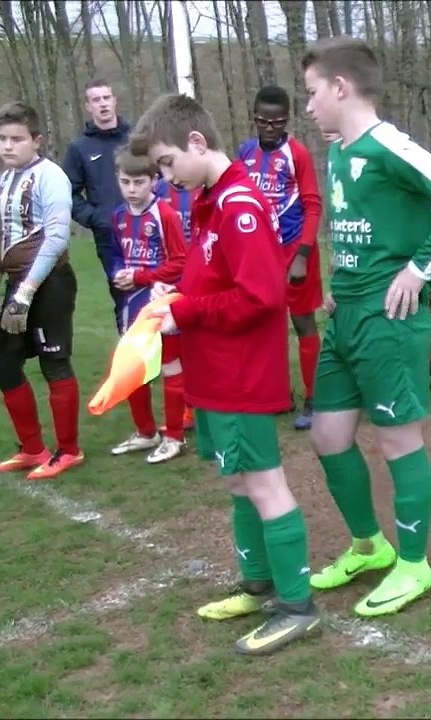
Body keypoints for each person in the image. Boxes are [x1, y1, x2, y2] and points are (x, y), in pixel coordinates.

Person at [131, 92, 321, 655]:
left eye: (167, 164)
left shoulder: (239, 204)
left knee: (264, 484)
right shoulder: (211, 201)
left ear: (196, 142)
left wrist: (184, 311)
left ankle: (297, 605)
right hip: (213, 372)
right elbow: (213, 273)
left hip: (241, 375)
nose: (166, 179)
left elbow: (262, 297)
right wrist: (178, 291)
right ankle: (259, 585)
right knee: (239, 481)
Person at [301, 36, 431, 617]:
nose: (308, 107)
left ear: (339, 87)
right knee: (328, 436)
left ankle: (414, 564)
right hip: (346, 317)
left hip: (390, 321)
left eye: (311, 93)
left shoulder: (389, 146)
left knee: (398, 439)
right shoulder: (339, 152)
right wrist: (340, 278)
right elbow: (362, 225)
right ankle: (369, 546)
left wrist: (418, 269)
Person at [0, 101, 84, 481]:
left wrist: (27, 289)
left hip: (49, 285)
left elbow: (57, 237)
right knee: (3, 363)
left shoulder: (52, 176)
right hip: (17, 284)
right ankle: (32, 448)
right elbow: (1, 229)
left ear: (36, 140)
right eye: (2, 139)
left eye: (16, 139)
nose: (8, 146)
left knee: (54, 361)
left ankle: (69, 450)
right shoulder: (5, 178)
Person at [236, 85, 325, 430]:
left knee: (303, 323)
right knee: (267, 327)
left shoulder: (297, 154)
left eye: (277, 122)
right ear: (254, 119)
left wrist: (302, 254)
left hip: (295, 250)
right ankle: (278, 395)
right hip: (262, 254)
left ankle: (314, 399)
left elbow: (313, 205)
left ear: (287, 120)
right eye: (263, 121)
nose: (269, 127)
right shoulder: (245, 153)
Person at [107, 148, 189, 464]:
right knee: (133, 368)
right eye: (125, 182)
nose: (132, 189)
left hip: (160, 300)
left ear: (154, 181)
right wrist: (118, 273)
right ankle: (145, 432)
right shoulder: (117, 216)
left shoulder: (165, 215)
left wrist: (142, 275)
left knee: (170, 366)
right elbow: (115, 254)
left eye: (139, 182)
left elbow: (181, 261)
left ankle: (174, 437)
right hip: (132, 303)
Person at [64, 79, 132, 326]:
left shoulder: (137, 138)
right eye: (96, 100)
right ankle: (133, 360)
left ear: (114, 101)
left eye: (106, 98)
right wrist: (96, 219)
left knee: (155, 295)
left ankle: (167, 356)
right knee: (123, 297)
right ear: (88, 106)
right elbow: (68, 194)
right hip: (110, 238)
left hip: (149, 231)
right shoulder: (79, 148)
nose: (102, 104)